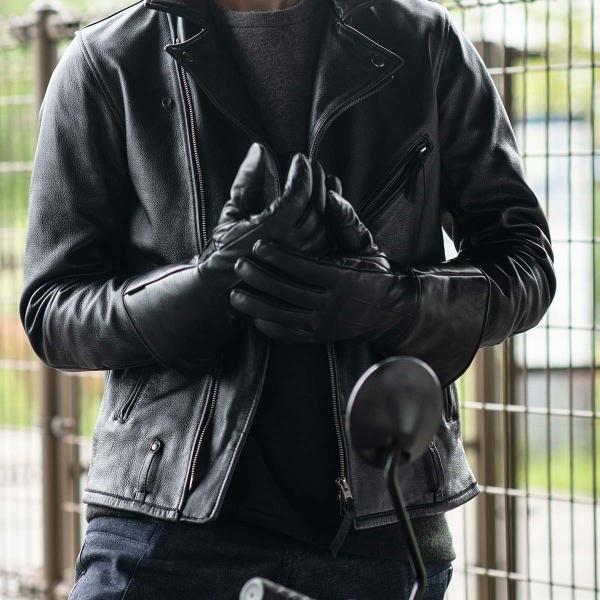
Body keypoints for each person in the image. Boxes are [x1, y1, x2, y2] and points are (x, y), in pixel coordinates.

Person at [19, 0, 556, 598]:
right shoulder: (109, 58)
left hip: (382, 529)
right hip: (164, 530)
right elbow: (52, 308)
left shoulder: (424, 40)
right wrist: (199, 291)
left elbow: (525, 261)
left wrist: (395, 303)